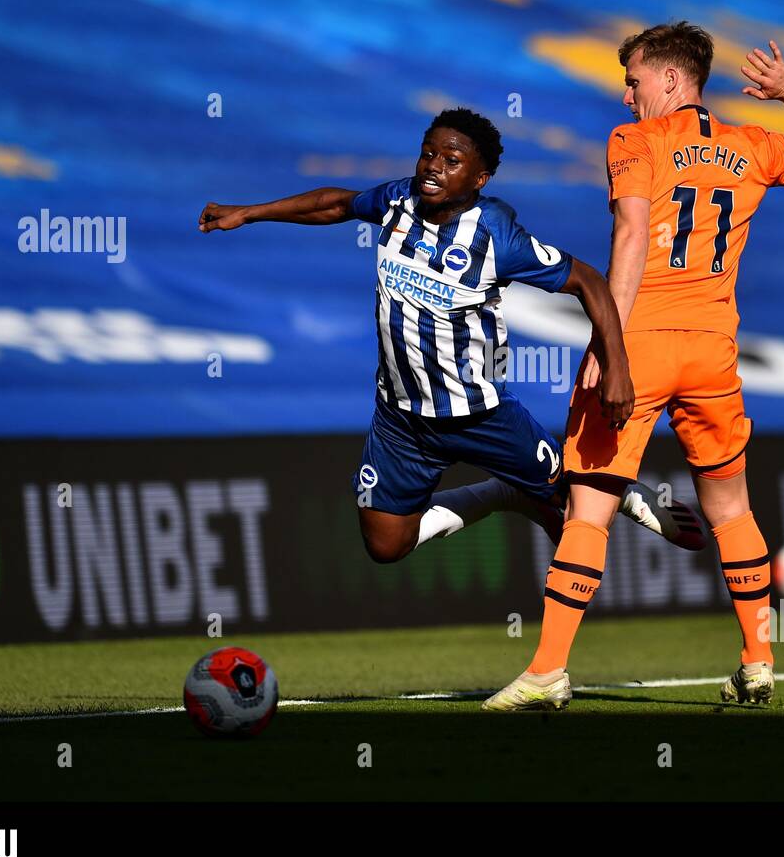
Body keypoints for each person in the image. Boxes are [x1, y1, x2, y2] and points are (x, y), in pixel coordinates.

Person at [484, 24, 784, 711]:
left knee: (588, 508)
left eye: (633, 79)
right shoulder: (750, 144)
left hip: (646, 343)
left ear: (669, 79)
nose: (626, 93)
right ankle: (757, 661)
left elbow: (631, 235)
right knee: (731, 510)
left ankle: (546, 670)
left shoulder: (634, 142)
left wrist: (610, 344)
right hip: (714, 350)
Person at [199, 107, 706, 568]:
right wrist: (249, 212)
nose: (433, 166)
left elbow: (588, 281)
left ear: (480, 178)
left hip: (480, 414)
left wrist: (616, 364)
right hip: (401, 419)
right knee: (385, 544)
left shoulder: (496, 235)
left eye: (452, 159)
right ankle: (502, 494)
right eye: (428, 153)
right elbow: (336, 205)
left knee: (574, 505)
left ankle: (628, 493)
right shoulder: (399, 201)